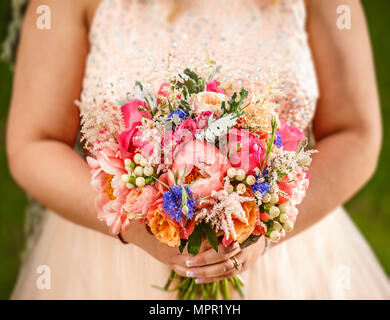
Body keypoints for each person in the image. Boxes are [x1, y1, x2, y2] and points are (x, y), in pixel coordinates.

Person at [7, 0, 390, 299]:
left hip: (290, 263)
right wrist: (135, 225)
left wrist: (267, 229)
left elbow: (355, 132)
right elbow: (34, 142)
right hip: (114, 261)